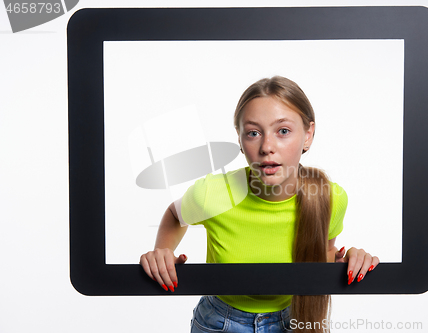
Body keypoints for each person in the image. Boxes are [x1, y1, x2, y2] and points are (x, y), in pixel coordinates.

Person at [140, 76, 379, 333]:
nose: (267, 147)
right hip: (219, 321)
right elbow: (176, 215)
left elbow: (320, 256)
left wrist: (350, 262)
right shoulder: (213, 193)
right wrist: (162, 252)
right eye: (253, 133)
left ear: (308, 135)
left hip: (295, 320)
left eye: (283, 131)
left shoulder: (330, 198)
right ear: (240, 141)